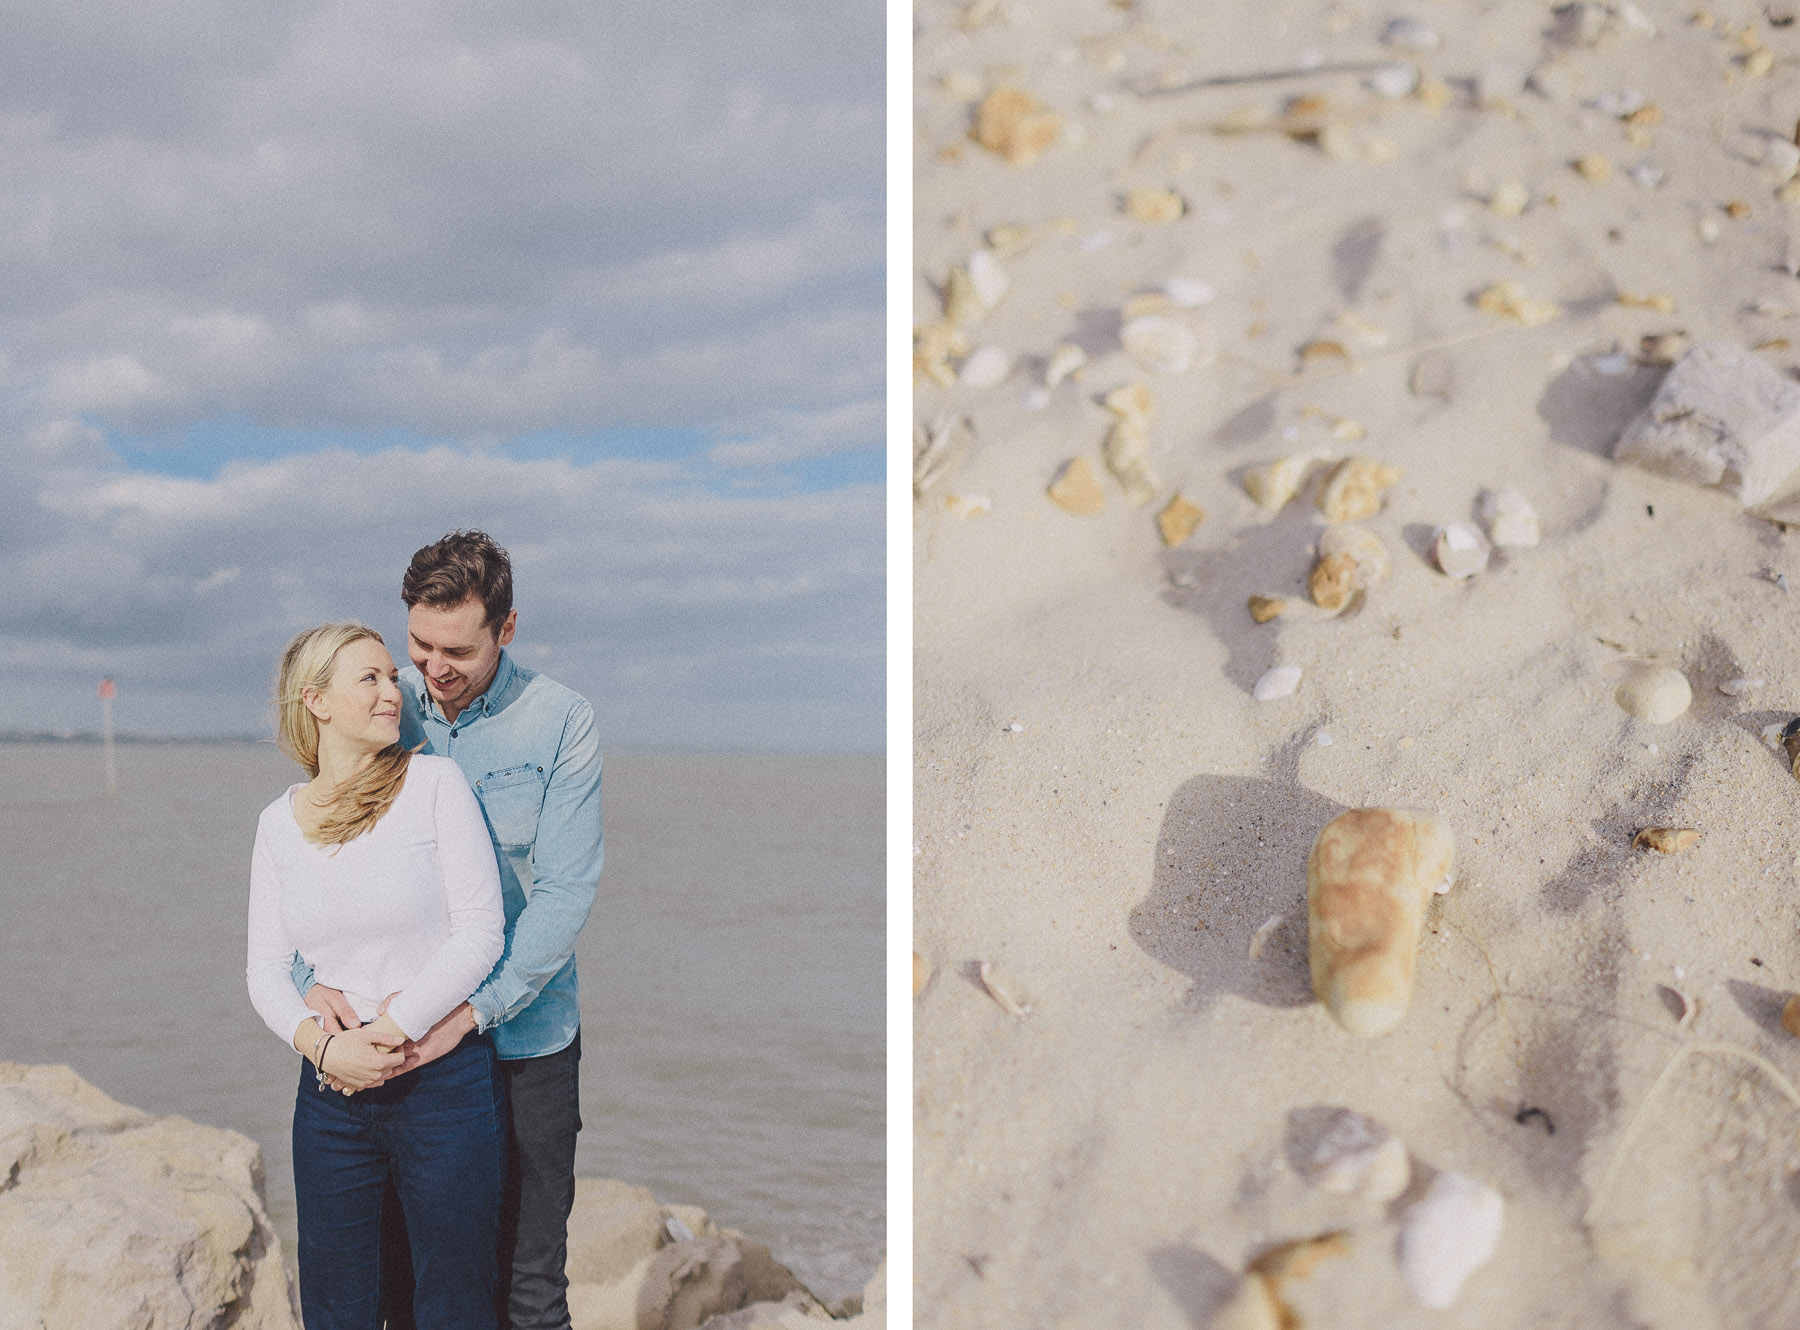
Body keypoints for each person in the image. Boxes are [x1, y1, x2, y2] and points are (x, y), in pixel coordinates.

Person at [294, 530, 605, 1330]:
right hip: (404, 1050)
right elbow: (312, 854)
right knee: (405, 1286)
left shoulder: (563, 720)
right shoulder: (380, 703)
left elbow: (565, 893)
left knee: (530, 1292)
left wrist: (469, 1013)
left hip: (523, 1039)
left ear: (505, 629)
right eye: (419, 643)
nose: (432, 668)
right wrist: (307, 980)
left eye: (457, 649)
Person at [246, 621, 508, 1330]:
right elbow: (265, 971)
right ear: (317, 701)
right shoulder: (278, 824)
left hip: (440, 1084)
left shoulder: (433, 785)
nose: (394, 691)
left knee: (453, 1306)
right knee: (337, 1309)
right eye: (370, 678)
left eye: (394, 677)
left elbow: (482, 932)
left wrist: (390, 1032)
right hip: (331, 1098)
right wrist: (326, 1048)